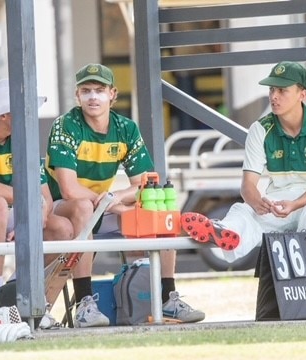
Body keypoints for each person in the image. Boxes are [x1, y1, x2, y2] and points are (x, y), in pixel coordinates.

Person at [45, 63, 205, 327]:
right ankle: (85, 304)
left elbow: (145, 183)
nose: (93, 97)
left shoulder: (125, 128)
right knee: (84, 206)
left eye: (99, 90)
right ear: (77, 96)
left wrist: (117, 197)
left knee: (158, 210)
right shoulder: (66, 125)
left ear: (113, 94)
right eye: (86, 91)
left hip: (101, 206)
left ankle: (168, 298)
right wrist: (116, 204)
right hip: (63, 208)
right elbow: (69, 189)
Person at [180, 61, 306, 263]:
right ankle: (222, 232)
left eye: (282, 90)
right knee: (243, 210)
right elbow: (248, 185)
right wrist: (256, 201)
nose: (273, 96)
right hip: (280, 202)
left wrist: (294, 205)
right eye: (271, 89)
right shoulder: (259, 129)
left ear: (302, 94)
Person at [0, 78, 84, 315]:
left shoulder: (23, 135)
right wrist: (28, 200)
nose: (31, 115)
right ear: (4, 115)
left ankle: (23, 292)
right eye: (25, 109)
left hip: (5, 208)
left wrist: (35, 215)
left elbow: (44, 197)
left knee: (62, 228)